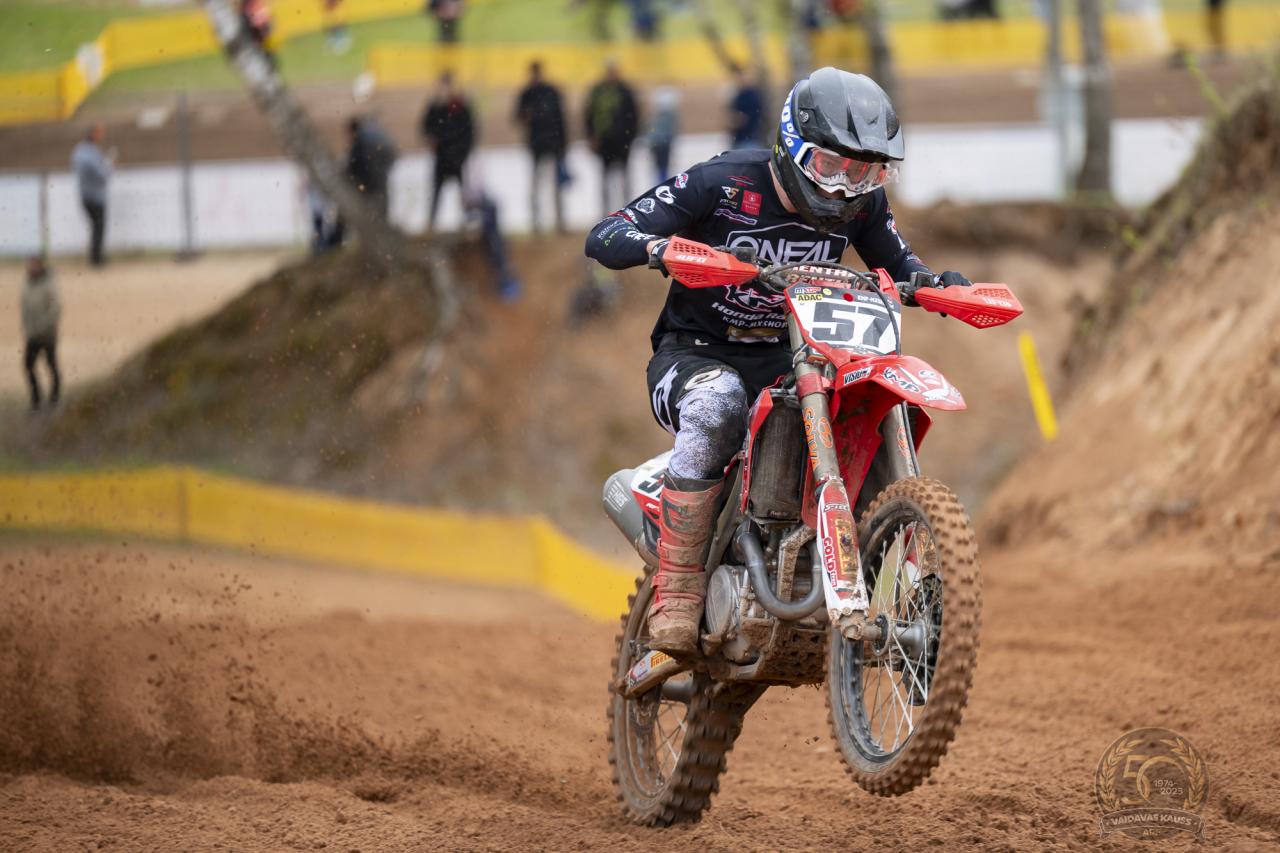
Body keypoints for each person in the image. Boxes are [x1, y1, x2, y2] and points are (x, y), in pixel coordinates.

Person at [583, 67, 974, 655]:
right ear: (792, 146)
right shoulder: (722, 183)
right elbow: (608, 233)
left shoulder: (863, 206)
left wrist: (933, 283)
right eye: (830, 166)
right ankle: (679, 592)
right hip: (695, 354)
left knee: (864, 401)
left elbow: (901, 264)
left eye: (865, 172)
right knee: (718, 404)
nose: (844, 187)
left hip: (793, 359)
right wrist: (661, 248)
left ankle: (868, 576)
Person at [514, 61, 568, 234]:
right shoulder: (527, 93)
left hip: (552, 143)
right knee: (536, 185)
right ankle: (536, 222)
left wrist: (562, 144)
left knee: (556, 185)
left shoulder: (551, 92)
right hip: (536, 145)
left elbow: (561, 119)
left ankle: (560, 221)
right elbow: (518, 116)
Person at [584, 61, 639, 217]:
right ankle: (606, 214)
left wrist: (630, 138)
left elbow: (633, 116)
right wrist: (591, 137)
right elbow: (589, 115)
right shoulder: (598, 91)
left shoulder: (625, 91)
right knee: (605, 180)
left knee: (624, 179)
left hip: (622, 142)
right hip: (605, 142)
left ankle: (628, 214)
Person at [421, 72, 475, 232]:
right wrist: (431, 140)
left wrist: (463, 153)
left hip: (457, 157)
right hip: (441, 157)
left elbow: (469, 133)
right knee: (436, 191)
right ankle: (431, 224)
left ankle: (467, 223)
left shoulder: (461, 106)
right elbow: (426, 128)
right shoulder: (436, 107)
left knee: (463, 192)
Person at [21, 256, 62, 412]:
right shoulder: (27, 283)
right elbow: (24, 308)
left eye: (34, 265)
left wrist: (44, 326)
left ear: (41, 266)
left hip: (47, 334)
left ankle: (55, 398)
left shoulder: (49, 284)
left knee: (51, 364)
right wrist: (27, 327)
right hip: (32, 334)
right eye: (29, 265)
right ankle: (36, 398)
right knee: (28, 366)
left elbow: (55, 308)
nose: (31, 268)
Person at [70, 124, 112, 267]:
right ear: (94, 134)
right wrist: (107, 169)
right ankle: (96, 258)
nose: (102, 136)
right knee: (98, 227)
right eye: (100, 133)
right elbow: (100, 172)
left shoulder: (80, 150)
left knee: (96, 227)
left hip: (87, 194)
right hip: (95, 195)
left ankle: (96, 256)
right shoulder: (89, 152)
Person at [345, 115, 398, 219]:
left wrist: (353, 175)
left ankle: (375, 219)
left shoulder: (360, 138)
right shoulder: (372, 131)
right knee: (382, 194)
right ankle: (383, 218)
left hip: (374, 167)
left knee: (374, 196)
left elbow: (356, 161)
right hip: (384, 164)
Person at [647, 83, 680, 184]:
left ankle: (661, 181)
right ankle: (662, 181)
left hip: (660, 143)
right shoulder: (669, 116)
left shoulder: (659, 116)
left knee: (660, 166)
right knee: (662, 165)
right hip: (663, 143)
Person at [727, 65, 764, 149]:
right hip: (740, 139)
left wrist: (734, 119)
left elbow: (743, 119)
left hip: (749, 140)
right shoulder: (738, 95)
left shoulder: (751, 95)